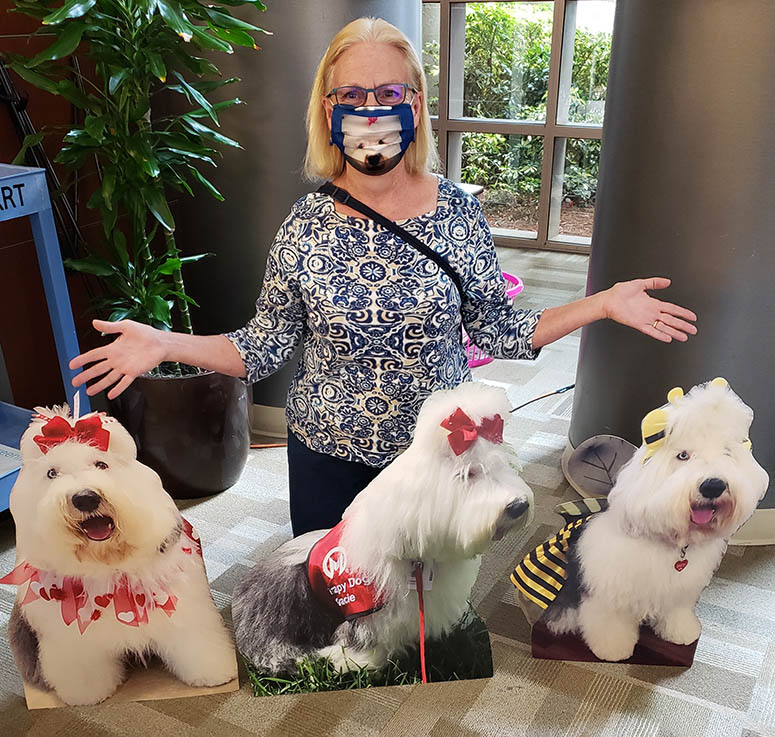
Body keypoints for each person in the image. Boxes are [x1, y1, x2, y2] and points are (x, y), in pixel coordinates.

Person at [69, 18, 697, 537]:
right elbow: (262, 345)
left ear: (416, 104)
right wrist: (165, 342)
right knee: (337, 608)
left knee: (425, 612)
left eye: (389, 93)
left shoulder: (457, 210)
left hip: (440, 454)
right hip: (327, 452)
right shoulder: (307, 221)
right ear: (329, 107)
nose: (371, 110)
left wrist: (604, 304)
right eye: (352, 95)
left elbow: (505, 334)